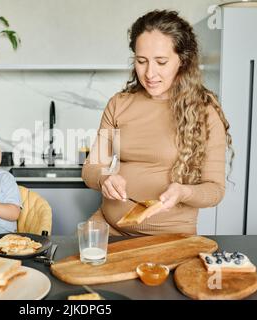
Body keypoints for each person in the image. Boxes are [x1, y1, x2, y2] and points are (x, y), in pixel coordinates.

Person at [82, 10, 233, 236]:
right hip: (109, 227)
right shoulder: (119, 103)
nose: (149, 73)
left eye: (161, 62)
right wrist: (104, 178)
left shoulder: (204, 112)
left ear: (182, 61)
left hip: (170, 238)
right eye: (141, 61)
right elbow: (91, 168)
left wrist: (184, 193)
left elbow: (215, 190)